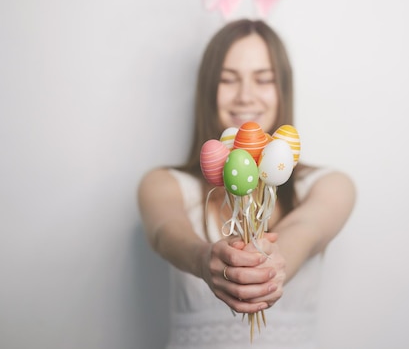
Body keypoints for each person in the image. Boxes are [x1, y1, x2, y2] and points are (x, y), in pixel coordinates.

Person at [137, 19, 355, 349]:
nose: (245, 96)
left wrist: (272, 263)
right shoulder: (163, 184)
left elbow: (307, 230)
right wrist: (203, 259)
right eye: (227, 79)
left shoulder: (329, 185)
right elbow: (166, 232)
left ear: (283, 88)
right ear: (207, 89)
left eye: (263, 79)